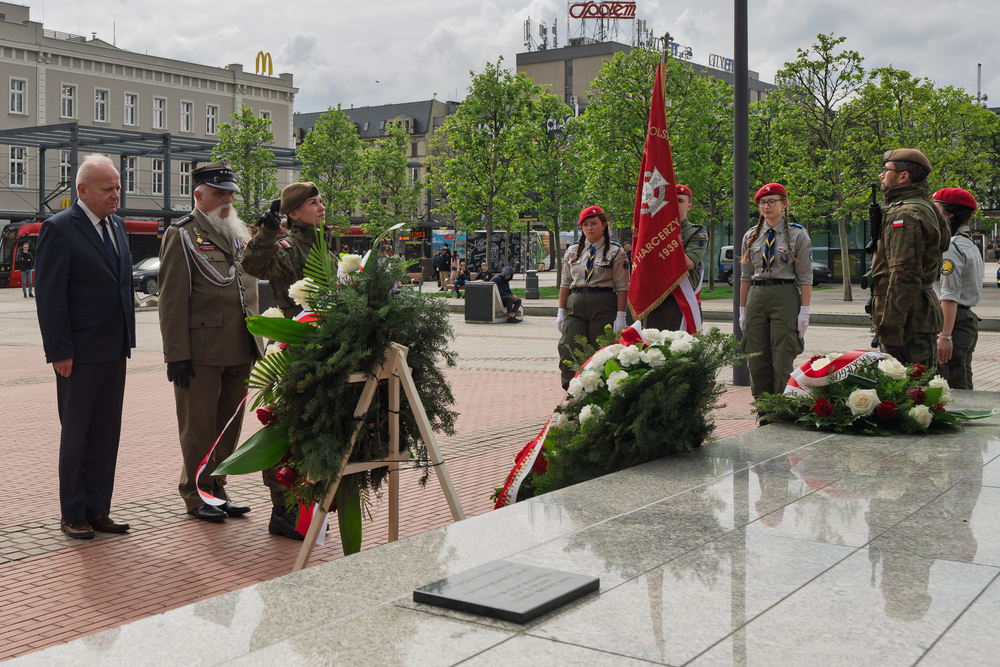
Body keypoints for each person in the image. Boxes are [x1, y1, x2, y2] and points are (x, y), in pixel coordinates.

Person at [35, 154, 135, 539]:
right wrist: (59, 351)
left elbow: (120, 284)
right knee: (76, 435)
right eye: (108, 189)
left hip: (115, 348)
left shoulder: (118, 225)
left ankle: (98, 509)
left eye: (118, 187)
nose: (116, 195)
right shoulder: (58, 229)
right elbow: (50, 296)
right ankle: (73, 513)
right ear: (83, 190)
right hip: (78, 353)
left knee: (107, 434)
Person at [157, 161, 263, 524]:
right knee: (198, 425)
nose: (228, 199)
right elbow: (171, 299)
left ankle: (217, 488)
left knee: (228, 425)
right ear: (199, 194)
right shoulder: (183, 234)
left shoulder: (235, 231)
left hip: (240, 344)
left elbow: (251, 281)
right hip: (200, 350)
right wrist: (176, 355)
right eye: (220, 193)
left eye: (230, 192)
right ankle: (195, 492)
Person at [241, 181, 337, 539]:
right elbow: (251, 264)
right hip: (296, 350)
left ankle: (311, 504)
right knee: (287, 432)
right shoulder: (288, 247)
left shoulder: (325, 243)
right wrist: (267, 230)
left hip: (327, 348)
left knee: (319, 429)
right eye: (314, 203)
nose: (322, 206)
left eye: (321, 200)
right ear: (294, 213)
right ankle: (284, 512)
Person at [870, 149, 950, 367]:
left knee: (912, 392)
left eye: (886, 171)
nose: (881, 176)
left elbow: (904, 275)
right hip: (913, 315)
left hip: (908, 321)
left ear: (903, 177)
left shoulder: (906, 215)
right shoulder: (925, 207)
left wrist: (892, 332)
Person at [738, 183, 812, 397]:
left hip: (785, 294)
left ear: (784, 204)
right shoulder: (751, 236)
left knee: (782, 357)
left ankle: (782, 409)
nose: (766, 206)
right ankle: (763, 409)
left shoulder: (798, 234)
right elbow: (745, 276)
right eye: (762, 202)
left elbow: (806, 276)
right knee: (756, 358)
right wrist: (742, 310)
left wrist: (804, 311)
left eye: (772, 202)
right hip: (757, 295)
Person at [555, 205, 630, 390]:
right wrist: (561, 311)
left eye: (594, 223)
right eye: (585, 224)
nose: (589, 228)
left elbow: (622, 287)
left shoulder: (615, 251)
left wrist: (621, 316)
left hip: (603, 304)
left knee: (601, 352)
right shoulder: (573, 251)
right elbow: (565, 284)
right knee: (569, 349)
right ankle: (573, 393)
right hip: (576, 303)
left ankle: (600, 394)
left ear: (604, 225)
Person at [932, 187, 983, 389]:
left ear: (950, 214)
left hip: (953, 321)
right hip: (963, 320)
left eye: (936, 210)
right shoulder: (967, 243)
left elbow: (950, 295)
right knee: (959, 381)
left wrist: (945, 336)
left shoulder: (952, 246)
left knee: (951, 387)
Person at [643, 184, 709, 331]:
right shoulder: (654, 231)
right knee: (651, 349)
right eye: (671, 200)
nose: (675, 204)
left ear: (689, 206)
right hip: (655, 300)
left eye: (680, 201)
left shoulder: (697, 233)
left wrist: (667, 237)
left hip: (680, 301)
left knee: (680, 349)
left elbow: (689, 263)